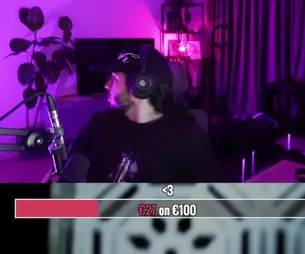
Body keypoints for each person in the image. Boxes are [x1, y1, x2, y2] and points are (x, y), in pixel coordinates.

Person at [67, 46, 222, 182]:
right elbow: (67, 180)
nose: (107, 86)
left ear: (141, 84)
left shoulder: (189, 137)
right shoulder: (98, 125)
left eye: (115, 78)